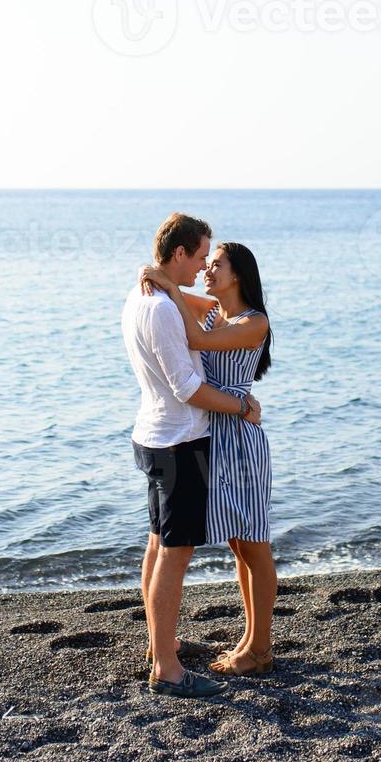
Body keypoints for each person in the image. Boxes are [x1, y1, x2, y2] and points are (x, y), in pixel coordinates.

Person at [121, 213, 261, 699]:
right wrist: (242, 405)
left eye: (213, 260)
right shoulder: (161, 308)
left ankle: (160, 643)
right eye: (201, 255)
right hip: (178, 441)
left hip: (153, 435)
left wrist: (161, 278)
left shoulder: (144, 298)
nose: (204, 264)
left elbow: (200, 311)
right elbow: (188, 387)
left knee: (159, 544)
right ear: (180, 253)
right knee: (175, 555)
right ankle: (167, 666)